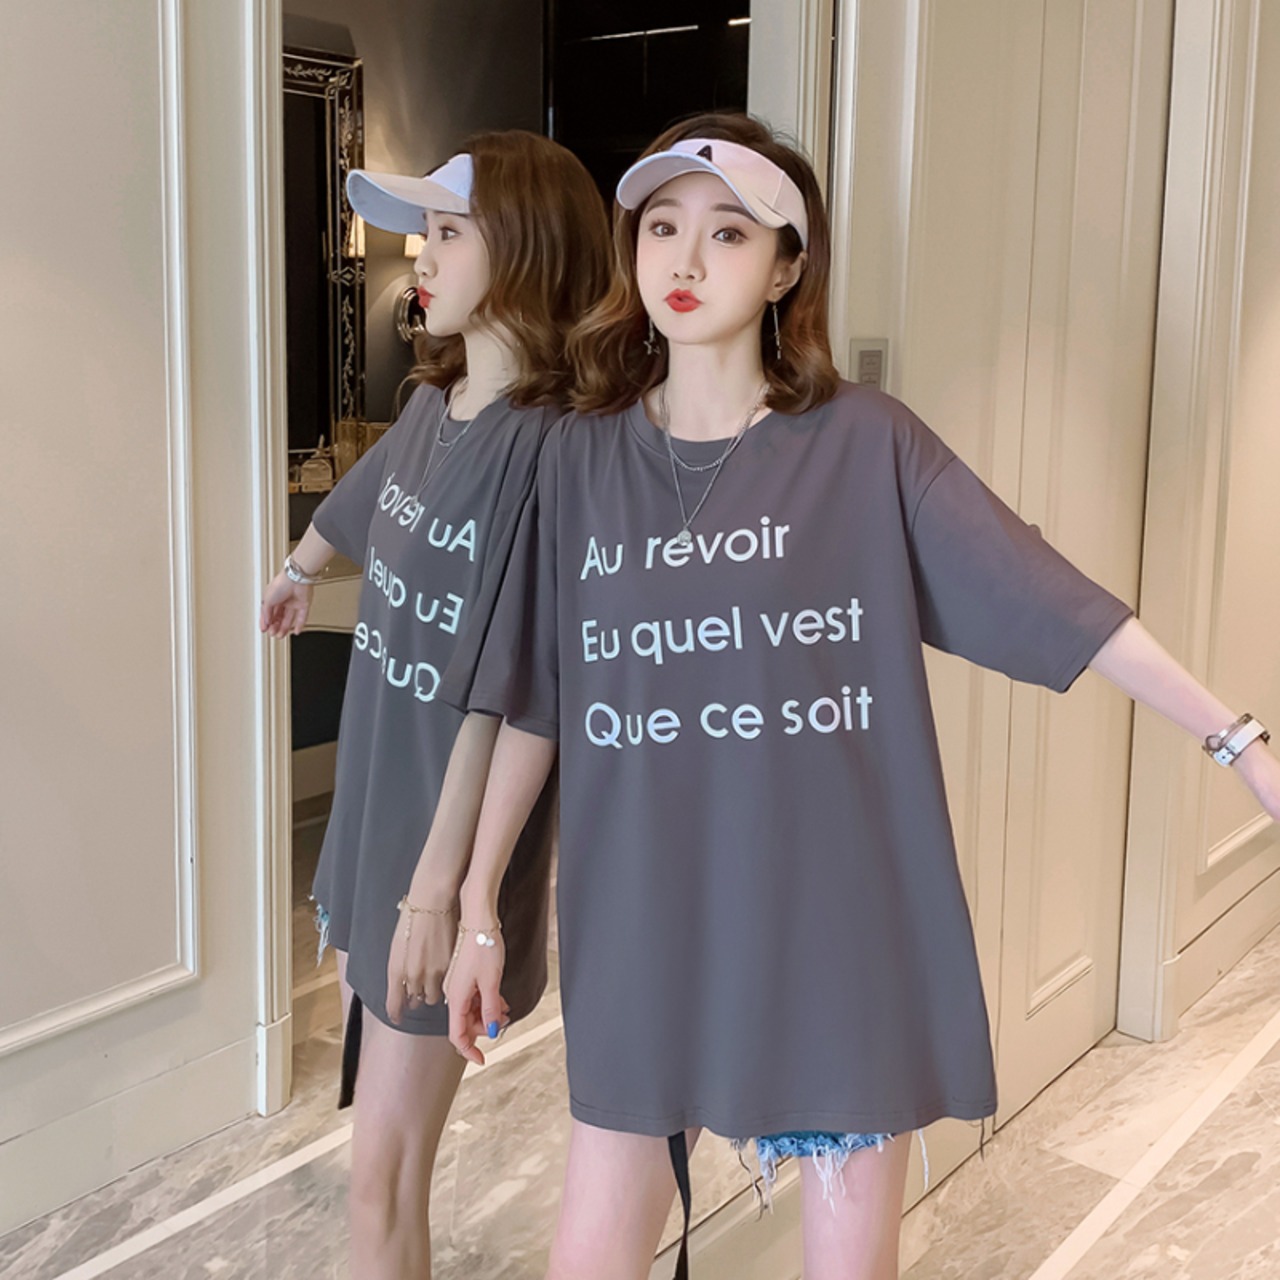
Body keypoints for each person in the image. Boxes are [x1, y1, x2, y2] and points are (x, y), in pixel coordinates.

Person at [437, 113, 1280, 1280]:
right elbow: (536, 694)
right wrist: (476, 903)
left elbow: (1049, 596)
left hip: (830, 924)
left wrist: (1236, 740)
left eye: (728, 233)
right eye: (662, 227)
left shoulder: (861, 445)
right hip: (640, 915)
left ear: (786, 267)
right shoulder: (578, 457)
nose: (685, 260)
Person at [258, 130, 609, 1280]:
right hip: (377, 816)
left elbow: (503, 696)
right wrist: (299, 568)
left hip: (440, 851)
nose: (422, 256)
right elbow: (364, 502)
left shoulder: (549, 452)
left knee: (383, 1172)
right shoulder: (431, 406)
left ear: (523, 249)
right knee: (378, 1164)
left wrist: (442, 893)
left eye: (448, 233)